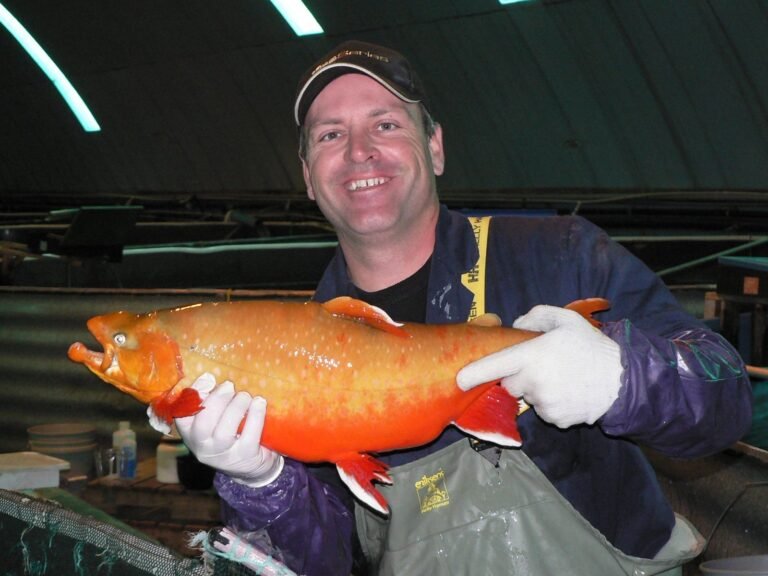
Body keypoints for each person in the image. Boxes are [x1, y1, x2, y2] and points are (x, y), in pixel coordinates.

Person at [174, 41, 753, 575]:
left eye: (386, 124)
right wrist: (260, 479)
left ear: (435, 147)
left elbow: (725, 396)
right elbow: (329, 561)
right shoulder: (292, 352)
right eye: (329, 135)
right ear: (307, 178)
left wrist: (622, 377)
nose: (358, 151)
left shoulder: (557, 256)